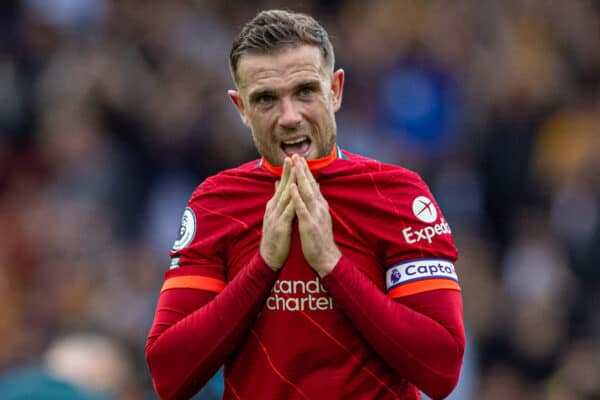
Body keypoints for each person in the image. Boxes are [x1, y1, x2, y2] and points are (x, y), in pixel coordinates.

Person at [146, 9, 465, 400]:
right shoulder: (216, 203)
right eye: (265, 99)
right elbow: (168, 375)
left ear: (335, 90)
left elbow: (441, 368)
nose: (289, 117)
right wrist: (262, 268)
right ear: (241, 109)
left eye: (305, 91)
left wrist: (332, 265)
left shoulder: (398, 195)